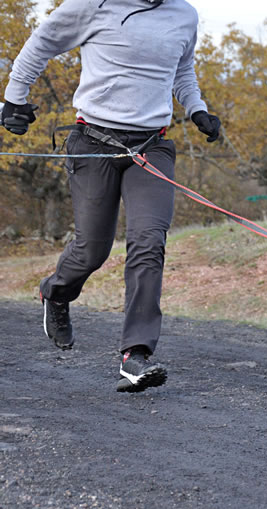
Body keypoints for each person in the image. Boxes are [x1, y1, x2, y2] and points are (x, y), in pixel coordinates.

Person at [1, 0, 221, 392]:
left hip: (151, 146)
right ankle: (55, 292)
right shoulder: (92, 5)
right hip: (94, 143)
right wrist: (14, 99)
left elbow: (182, 68)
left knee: (148, 241)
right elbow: (42, 42)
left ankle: (135, 355)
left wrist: (196, 108)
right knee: (92, 249)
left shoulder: (184, 14)